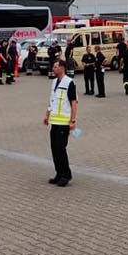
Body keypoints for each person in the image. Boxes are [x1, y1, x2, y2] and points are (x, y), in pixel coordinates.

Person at [43, 59, 78, 187]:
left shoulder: (69, 82)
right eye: (53, 66)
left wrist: (73, 120)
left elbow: (74, 103)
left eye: (56, 66)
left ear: (62, 68)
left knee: (60, 148)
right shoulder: (54, 82)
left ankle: (66, 175)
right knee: (54, 148)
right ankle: (58, 173)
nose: (54, 68)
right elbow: (52, 100)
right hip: (54, 121)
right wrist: (47, 115)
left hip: (64, 122)